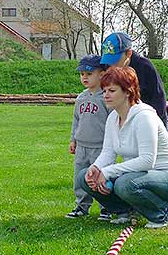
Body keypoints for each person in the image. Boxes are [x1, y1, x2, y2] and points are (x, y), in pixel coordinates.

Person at [78, 67, 168, 229]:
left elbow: (147, 161)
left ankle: (163, 213)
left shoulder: (144, 117)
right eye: (104, 90)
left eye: (112, 90)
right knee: (84, 177)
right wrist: (96, 168)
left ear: (128, 92)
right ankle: (125, 212)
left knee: (124, 184)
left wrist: (107, 172)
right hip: (136, 175)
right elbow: (108, 152)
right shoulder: (113, 117)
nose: (105, 95)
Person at [65, 54, 111, 221]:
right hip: (82, 146)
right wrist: (73, 139)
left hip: (100, 147)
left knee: (100, 177)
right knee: (80, 177)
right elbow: (76, 121)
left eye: (89, 73)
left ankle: (106, 207)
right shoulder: (81, 98)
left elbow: (113, 123)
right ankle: (81, 206)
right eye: (82, 74)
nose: (84, 77)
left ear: (101, 74)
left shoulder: (107, 98)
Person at [100, 32, 167, 126]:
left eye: (115, 60)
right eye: (108, 60)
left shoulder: (145, 67)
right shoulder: (106, 67)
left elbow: (159, 99)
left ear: (129, 53)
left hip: (146, 120)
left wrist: (156, 125)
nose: (111, 65)